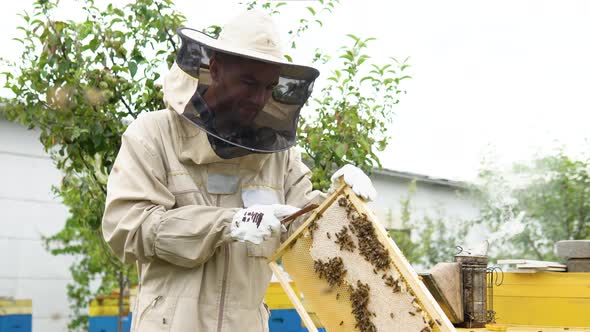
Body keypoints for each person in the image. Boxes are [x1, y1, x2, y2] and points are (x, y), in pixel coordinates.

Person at [101, 10, 376, 332]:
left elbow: (307, 230)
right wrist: (227, 224)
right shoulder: (153, 135)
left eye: (268, 87)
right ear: (215, 69)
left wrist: (341, 201)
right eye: (248, 82)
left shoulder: (280, 157)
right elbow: (128, 229)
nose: (259, 98)